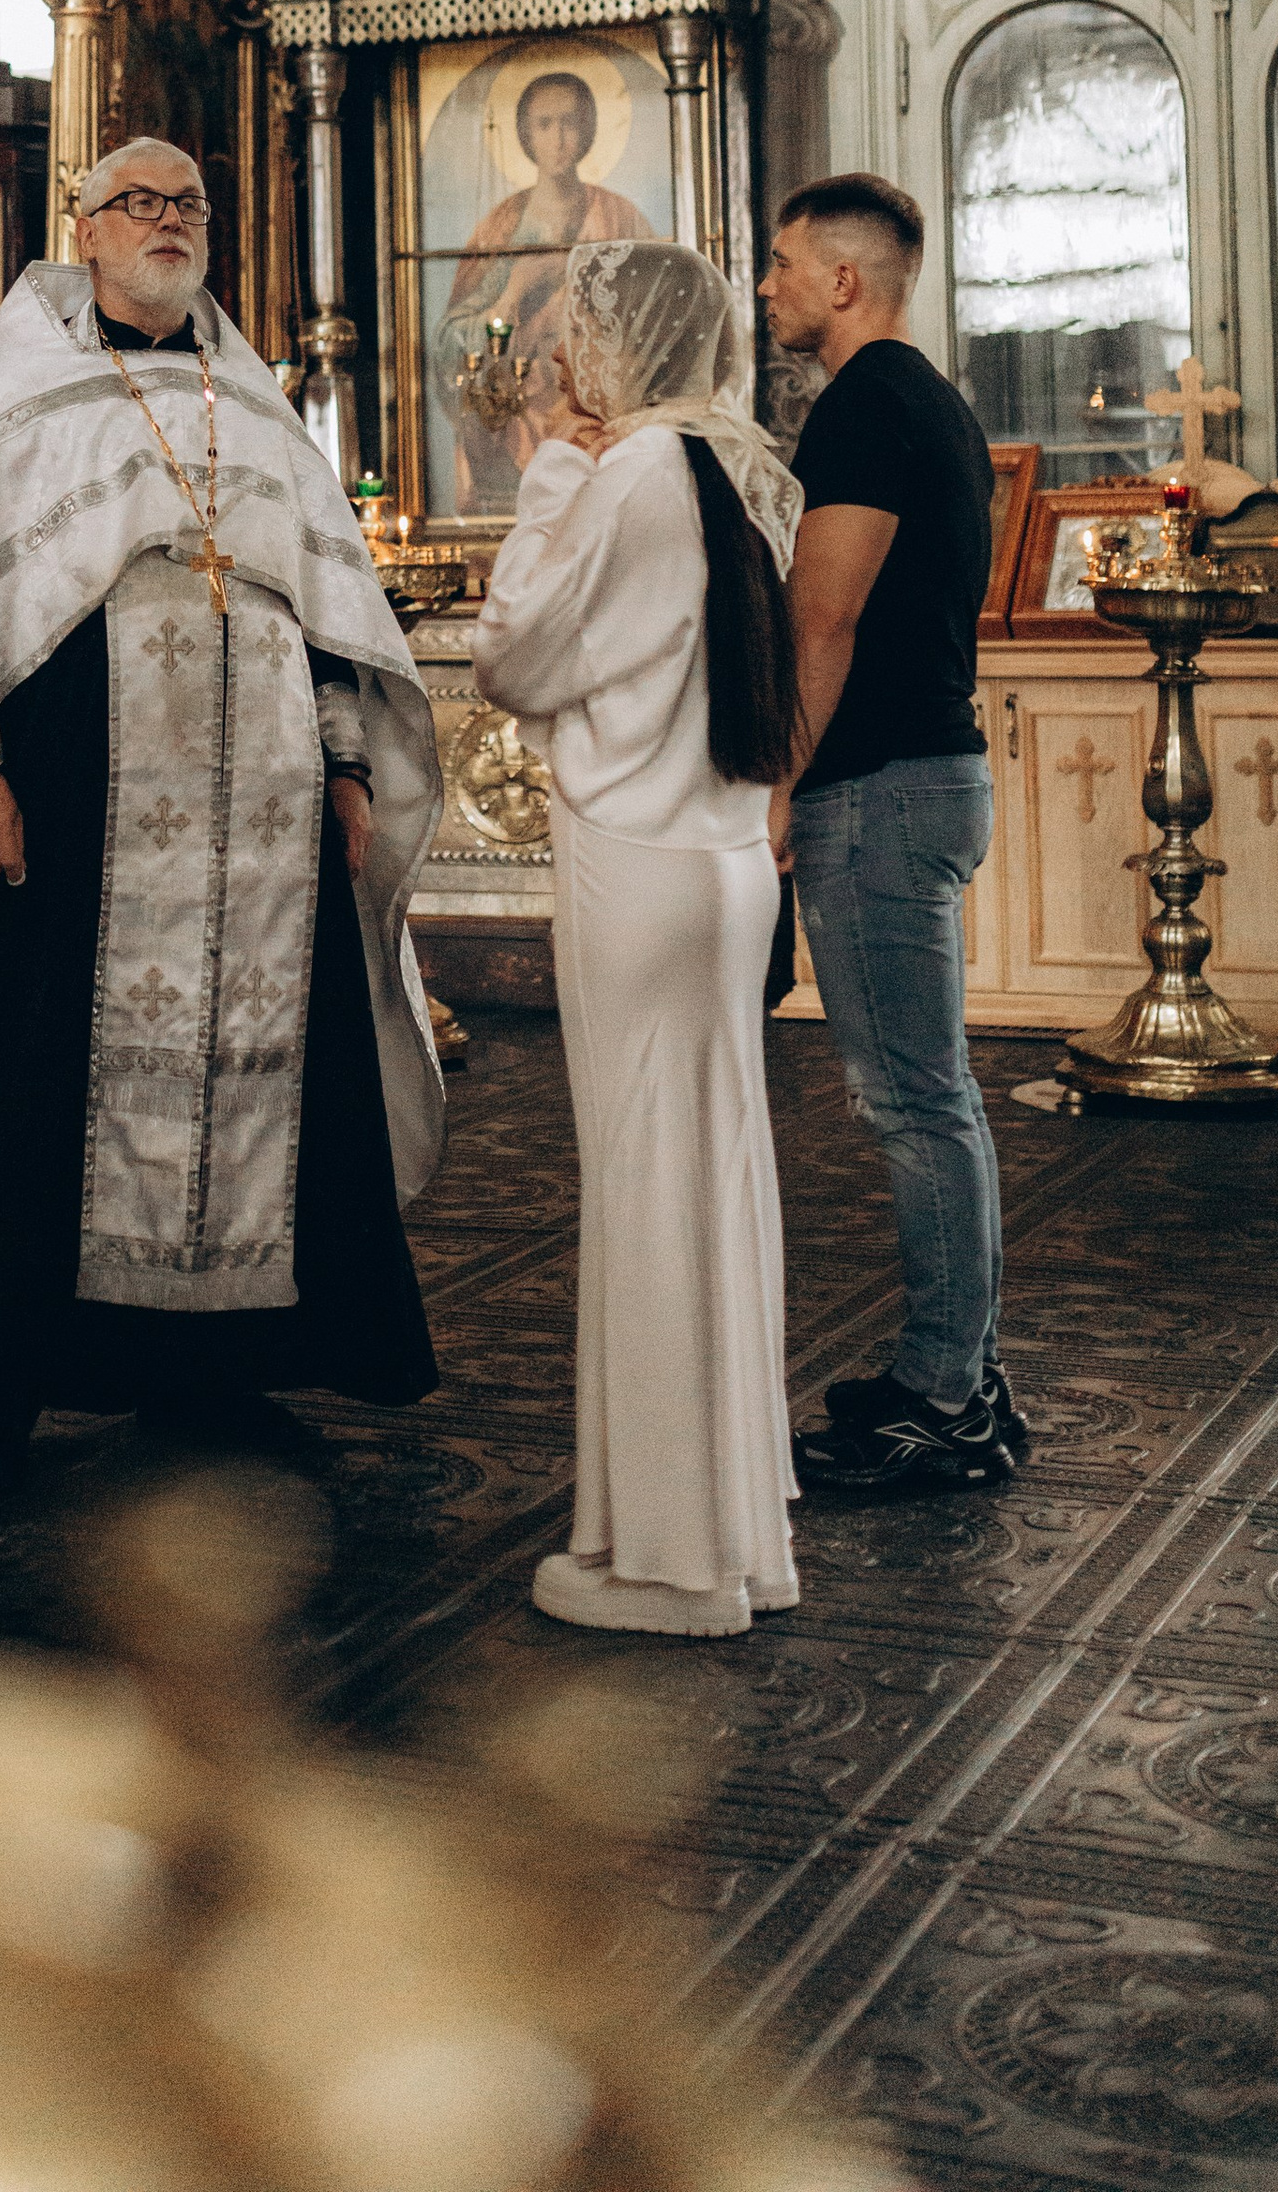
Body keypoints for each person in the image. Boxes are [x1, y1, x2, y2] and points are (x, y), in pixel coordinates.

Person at [0, 136, 446, 1475]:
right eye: (138, 204)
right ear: (82, 229)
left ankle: (219, 1365)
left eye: (189, 204)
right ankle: (0, 1363)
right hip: (72, 795)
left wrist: (346, 764)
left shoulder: (249, 397)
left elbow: (314, 603)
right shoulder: (20, 387)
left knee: (275, 1093)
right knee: (36, 1072)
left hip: (262, 818)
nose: (168, 224)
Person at [474, 240, 803, 1635]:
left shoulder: (631, 474)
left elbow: (515, 654)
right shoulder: (746, 469)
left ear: (628, 345)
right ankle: (739, 1543)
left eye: (584, 330)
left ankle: (668, 1568)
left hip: (640, 869)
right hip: (727, 865)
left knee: (645, 1194)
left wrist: (548, 465)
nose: (567, 357)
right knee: (717, 1184)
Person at [759, 173, 1019, 1496]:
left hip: (879, 784)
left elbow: (826, 617)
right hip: (931, 771)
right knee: (933, 1092)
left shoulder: (864, 407)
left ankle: (945, 1397)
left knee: (915, 1100)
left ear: (844, 280)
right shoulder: (934, 399)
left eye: (784, 262)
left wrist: (782, 780)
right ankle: (960, 1364)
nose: (769, 285)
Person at [438, 67, 650, 507]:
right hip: (513, 415)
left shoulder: (619, 218)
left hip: (600, 418)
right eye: (544, 124)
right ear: (525, 135)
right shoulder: (500, 226)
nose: (558, 139)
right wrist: (514, 292)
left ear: (589, 130)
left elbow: (654, 320)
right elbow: (450, 342)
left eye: (570, 123)